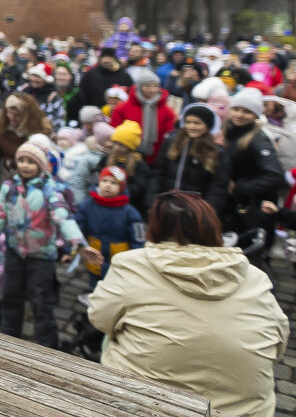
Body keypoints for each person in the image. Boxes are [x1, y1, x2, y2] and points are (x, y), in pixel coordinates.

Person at [88, 192, 288, 417]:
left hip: (146, 407)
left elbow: (99, 317)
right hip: (245, 412)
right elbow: (278, 344)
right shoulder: (255, 277)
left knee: (111, 334)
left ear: (155, 227)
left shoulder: (132, 264)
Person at [0, 142, 87, 349]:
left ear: (41, 165)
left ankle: (48, 345)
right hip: (14, 252)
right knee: (11, 296)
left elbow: (63, 218)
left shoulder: (50, 191)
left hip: (41, 257)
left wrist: (79, 243)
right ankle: (8, 337)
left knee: (41, 302)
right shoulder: (9, 188)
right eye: (22, 160)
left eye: (31, 161)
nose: (25, 165)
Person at [222, 87, 285, 262]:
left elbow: (274, 175)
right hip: (235, 206)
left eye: (246, 111)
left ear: (256, 115)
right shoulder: (231, 131)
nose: (239, 115)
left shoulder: (258, 140)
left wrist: (239, 187)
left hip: (252, 209)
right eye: (236, 109)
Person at [149, 103, 229, 212]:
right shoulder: (171, 142)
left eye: (197, 123)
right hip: (166, 204)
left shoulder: (217, 152)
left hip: (195, 210)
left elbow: (217, 187)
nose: (191, 127)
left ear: (207, 125)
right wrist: (152, 202)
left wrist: (207, 211)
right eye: (188, 122)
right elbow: (158, 173)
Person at [75, 167, 144, 289]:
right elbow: (78, 228)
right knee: (94, 284)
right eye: (105, 181)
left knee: (115, 287)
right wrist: (77, 245)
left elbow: (138, 239)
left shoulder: (130, 213)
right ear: (99, 182)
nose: (108, 185)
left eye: (113, 183)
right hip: (95, 255)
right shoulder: (87, 205)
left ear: (121, 188)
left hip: (118, 259)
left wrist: (136, 259)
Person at [110, 68, 176, 165]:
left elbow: (169, 134)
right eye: (148, 86)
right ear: (139, 87)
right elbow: (114, 131)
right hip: (127, 157)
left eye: (155, 86)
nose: (152, 90)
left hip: (157, 156)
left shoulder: (167, 111)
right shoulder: (122, 108)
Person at [0, 92, 53, 180]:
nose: (11, 117)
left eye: (17, 115)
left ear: (28, 116)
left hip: (35, 178)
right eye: (9, 113)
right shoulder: (0, 129)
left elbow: (49, 160)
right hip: (9, 175)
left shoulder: (41, 132)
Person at [76, 47, 134, 113]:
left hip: (119, 115)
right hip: (95, 114)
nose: (106, 60)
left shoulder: (124, 76)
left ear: (115, 59)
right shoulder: (90, 75)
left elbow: (130, 97)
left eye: (109, 57)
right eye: (104, 57)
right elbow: (82, 95)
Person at [17, 64, 65, 132]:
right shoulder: (24, 89)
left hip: (41, 133)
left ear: (46, 79)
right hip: (20, 130)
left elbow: (57, 121)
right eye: (33, 75)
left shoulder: (52, 96)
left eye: (38, 76)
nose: (34, 79)